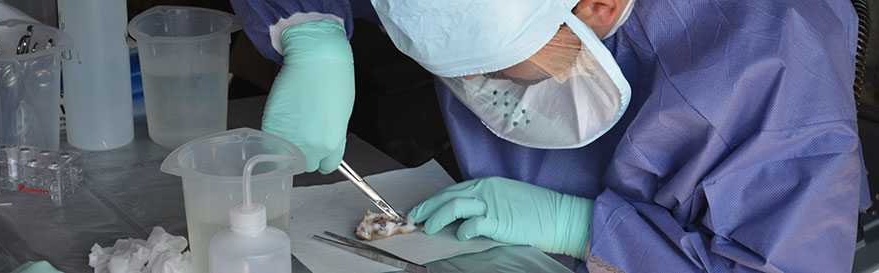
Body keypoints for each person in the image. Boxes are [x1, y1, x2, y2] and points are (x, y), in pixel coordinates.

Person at [230, 0, 871, 271]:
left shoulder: (767, 74)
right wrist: (309, 31)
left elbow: (782, 262)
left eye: (496, 70)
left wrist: (586, 228)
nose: (482, 93)